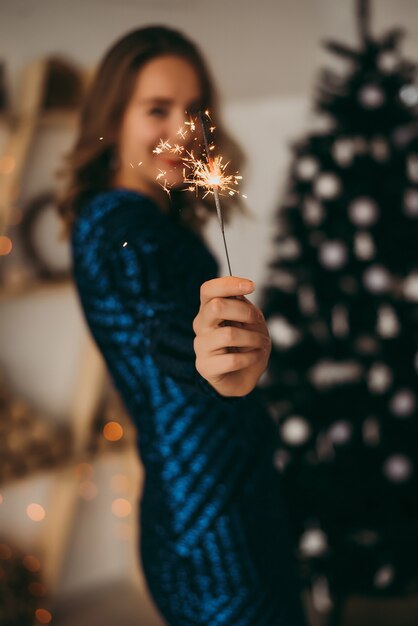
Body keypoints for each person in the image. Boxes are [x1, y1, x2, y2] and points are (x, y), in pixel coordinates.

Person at [59, 25, 307, 626]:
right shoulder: (118, 228)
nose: (183, 129)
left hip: (223, 503)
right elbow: (157, 328)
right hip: (212, 532)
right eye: (156, 109)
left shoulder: (148, 214)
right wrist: (205, 354)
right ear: (113, 117)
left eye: (193, 109)